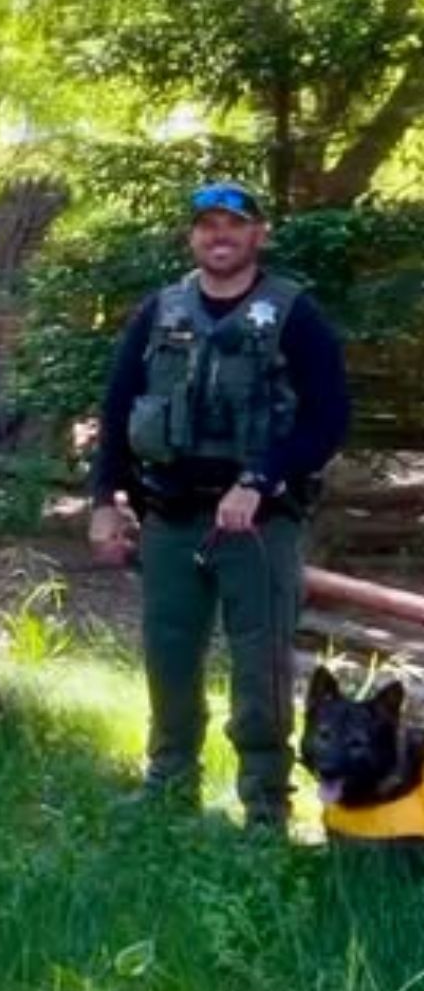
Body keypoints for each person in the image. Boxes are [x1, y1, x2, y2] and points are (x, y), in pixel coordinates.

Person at [90, 181, 355, 828]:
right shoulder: (161, 309)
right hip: (171, 516)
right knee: (169, 657)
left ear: (259, 235)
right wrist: (104, 498)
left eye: (234, 225)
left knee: (261, 667)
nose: (220, 236)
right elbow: (119, 406)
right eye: (207, 225)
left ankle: (265, 807)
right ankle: (169, 785)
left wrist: (261, 478)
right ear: (192, 237)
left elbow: (330, 419)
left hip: (260, 526)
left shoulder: (294, 313)